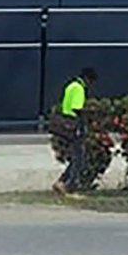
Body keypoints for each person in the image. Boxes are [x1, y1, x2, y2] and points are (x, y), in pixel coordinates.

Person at [52, 67, 97, 195]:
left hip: (66, 124)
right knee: (79, 158)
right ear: (87, 79)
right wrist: (90, 111)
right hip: (75, 125)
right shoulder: (79, 88)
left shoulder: (71, 85)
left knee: (75, 157)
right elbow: (76, 108)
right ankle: (69, 187)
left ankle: (61, 182)